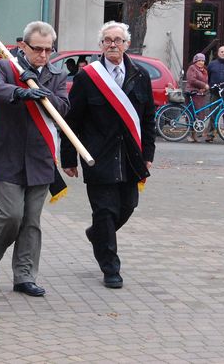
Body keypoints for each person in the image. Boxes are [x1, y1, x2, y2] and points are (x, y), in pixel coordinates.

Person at [61, 21, 156, 289]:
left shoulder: (141, 75)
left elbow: (148, 118)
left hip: (130, 156)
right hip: (98, 156)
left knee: (127, 207)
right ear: (100, 45)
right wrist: (68, 158)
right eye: (107, 40)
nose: (113, 44)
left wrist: (148, 151)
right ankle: (110, 267)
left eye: (118, 39)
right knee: (104, 211)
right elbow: (72, 121)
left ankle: (97, 235)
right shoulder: (87, 77)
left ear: (126, 44)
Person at [0, 21, 68, 298]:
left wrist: (44, 93)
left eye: (48, 50)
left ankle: (25, 276)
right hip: (6, 154)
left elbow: (64, 107)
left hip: (40, 158)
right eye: (37, 49)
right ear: (23, 46)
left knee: (31, 221)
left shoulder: (57, 74)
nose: (43, 55)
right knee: (11, 215)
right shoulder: (6, 67)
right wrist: (19, 91)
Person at [205, 45, 224, 142]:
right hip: (215, 93)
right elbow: (208, 77)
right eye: (221, 52)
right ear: (218, 53)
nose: (223, 53)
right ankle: (210, 135)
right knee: (213, 114)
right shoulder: (212, 64)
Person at [185, 52, 209, 143]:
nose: (201, 62)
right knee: (191, 114)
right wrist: (204, 85)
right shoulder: (192, 68)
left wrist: (204, 89)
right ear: (195, 61)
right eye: (199, 60)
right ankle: (190, 135)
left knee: (200, 115)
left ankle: (195, 135)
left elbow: (206, 83)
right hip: (192, 93)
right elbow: (192, 80)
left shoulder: (204, 70)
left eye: (203, 61)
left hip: (200, 95)